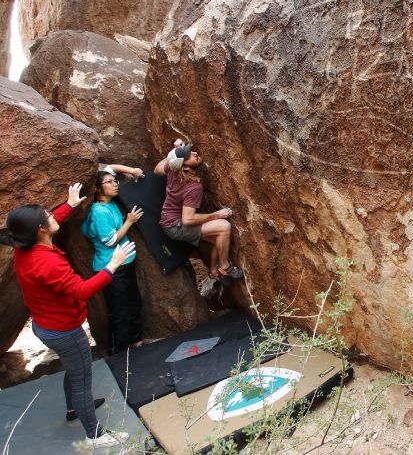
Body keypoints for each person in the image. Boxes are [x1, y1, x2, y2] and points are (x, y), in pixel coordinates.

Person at [1, 183, 135, 448]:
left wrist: (70, 205)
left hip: (47, 324)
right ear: (40, 230)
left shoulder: (24, 248)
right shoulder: (48, 262)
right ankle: (94, 435)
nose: (53, 216)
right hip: (64, 329)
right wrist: (112, 265)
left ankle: (73, 408)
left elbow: (51, 223)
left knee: (74, 369)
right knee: (82, 378)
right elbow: (81, 290)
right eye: (48, 216)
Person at [155, 139, 244, 283]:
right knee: (223, 227)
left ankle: (214, 272)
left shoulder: (172, 169)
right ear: (185, 167)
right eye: (189, 155)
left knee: (220, 239)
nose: (195, 153)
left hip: (169, 221)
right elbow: (188, 219)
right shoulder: (193, 187)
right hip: (176, 226)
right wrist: (217, 215)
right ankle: (225, 266)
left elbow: (157, 169)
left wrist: (174, 153)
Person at [81, 165, 144, 354]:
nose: (115, 184)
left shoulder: (109, 204)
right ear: (98, 189)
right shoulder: (99, 211)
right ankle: (119, 353)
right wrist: (130, 222)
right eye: (109, 182)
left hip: (125, 264)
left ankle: (136, 342)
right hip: (112, 268)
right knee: (120, 311)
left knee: (133, 303)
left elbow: (109, 168)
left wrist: (132, 171)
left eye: (115, 181)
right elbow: (110, 241)